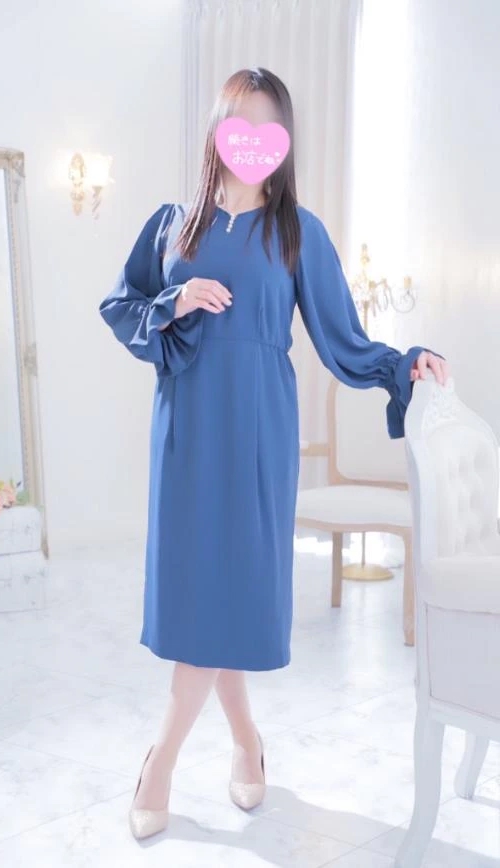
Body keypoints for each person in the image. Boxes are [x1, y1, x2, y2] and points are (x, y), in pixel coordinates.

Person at [99, 67, 449, 841]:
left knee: (231, 591)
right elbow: (121, 305)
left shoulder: (298, 234)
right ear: (218, 128)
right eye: (240, 120)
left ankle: (161, 762)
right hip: (187, 428)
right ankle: (244, 745)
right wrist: (175, 300)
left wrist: (403, 365)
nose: (252, 137)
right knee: (201, 596)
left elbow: (343, 340)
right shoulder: (172, 226)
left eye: (268, 124)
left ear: (282, 140)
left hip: (258, 429)